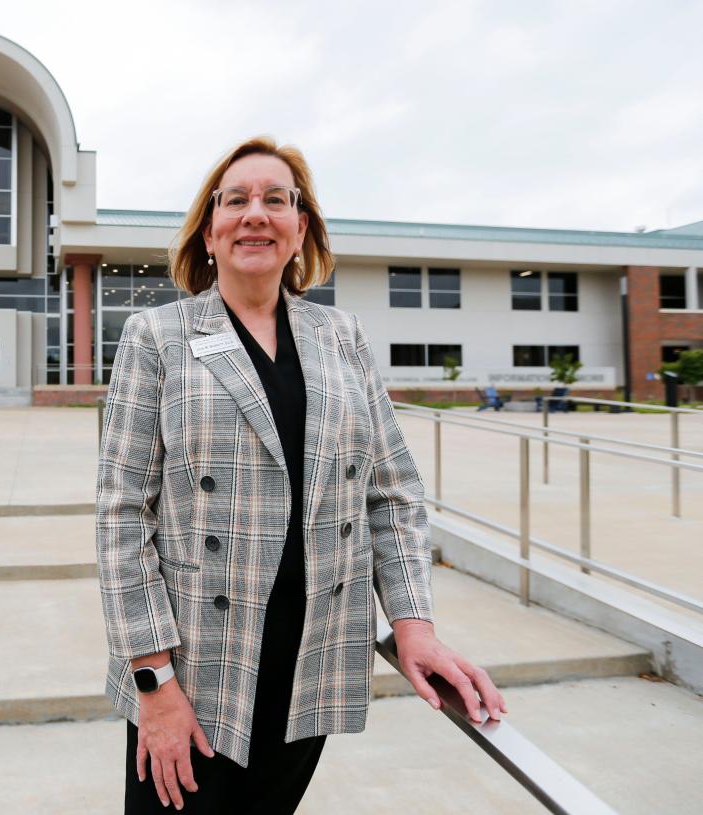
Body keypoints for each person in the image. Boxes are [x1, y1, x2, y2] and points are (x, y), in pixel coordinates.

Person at [96, 136, 506, 813]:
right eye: (235, 200)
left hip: (310, 664)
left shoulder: (340, 335)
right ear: (208, 231)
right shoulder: (156, 336)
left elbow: (391, 491)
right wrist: (154, 683)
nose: (255, 213)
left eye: (276, 200)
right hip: (194, 672)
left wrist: (413, 624)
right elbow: (121, 515)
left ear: (299, 230)